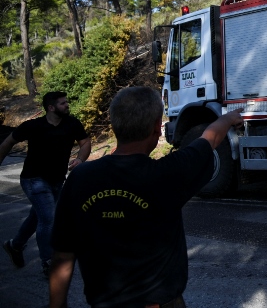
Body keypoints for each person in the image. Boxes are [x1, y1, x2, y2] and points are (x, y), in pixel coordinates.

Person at [48, 87, 243, 308]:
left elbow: (63, 256)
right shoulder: (170, 173)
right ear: (156, 129)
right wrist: (228, 118)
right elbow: (210, 138)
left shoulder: (79, 179)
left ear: (114, 125)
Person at [0, 91, 90, 277]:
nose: (67, 105)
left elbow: (85, 142)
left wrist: (80, 159)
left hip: (57, 180)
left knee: (37, 217)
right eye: (63, 103)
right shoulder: (33, 126)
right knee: (49, 218)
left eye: (67, 102)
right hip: (33, 179)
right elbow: (8, 142)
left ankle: (15, 245)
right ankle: (48, 262)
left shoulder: (72, 124)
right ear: (51, 107)